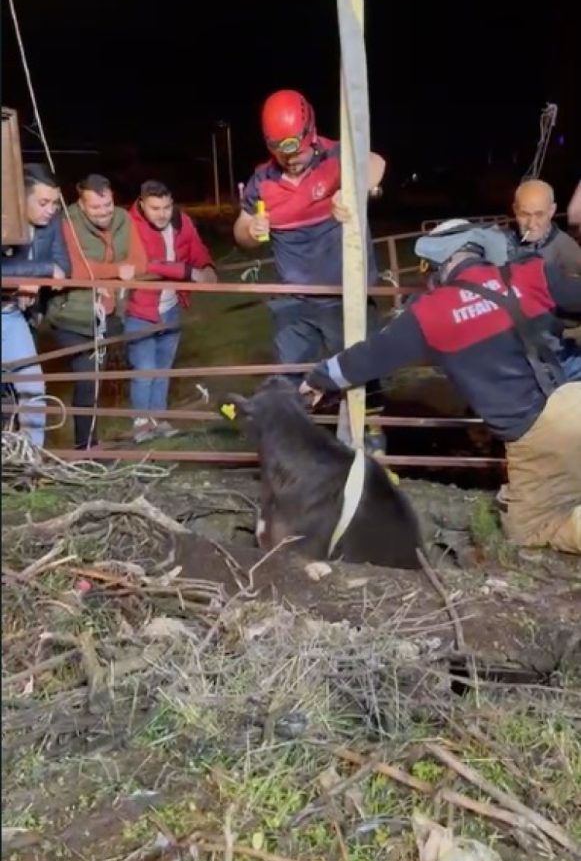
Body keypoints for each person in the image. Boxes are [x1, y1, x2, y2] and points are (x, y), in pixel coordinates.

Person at [300, 219, 581, 554]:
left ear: (443, 262)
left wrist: (317, 379)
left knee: (528, 530)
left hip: (535, 431)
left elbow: (368, 357)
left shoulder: (430, 314)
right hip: (573, 394)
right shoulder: (530, 273)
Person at [233, 89, 387, 452]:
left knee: (361, 369)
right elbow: (240, 230)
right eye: (281, 154)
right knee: (289, 377)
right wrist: (251, 232)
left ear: (311, 133)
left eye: (297, 151)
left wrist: (353, 191)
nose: (291, 161)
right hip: (294, 301)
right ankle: (291, 448)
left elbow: (376, 163)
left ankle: (373, 443)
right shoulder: (261, 181)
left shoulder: (337, 155)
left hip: (343, 295)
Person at [46, 174, 147, 449]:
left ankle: (92, 443)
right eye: (95, 208)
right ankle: (85, 448)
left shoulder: (123, 219)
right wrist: (115, 271)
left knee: (97, 380)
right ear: (81, 202)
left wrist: (104, 275)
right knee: (87, 379)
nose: (103, 213)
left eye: (107, 205)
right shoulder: (67, 222)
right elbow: (72, 268)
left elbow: (139, 262)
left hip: (109, 312)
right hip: (72, 316)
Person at [125, 180, 217, 443]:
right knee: (144, 368)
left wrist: (207, 267)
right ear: (142, 204)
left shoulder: (181, 221)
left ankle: (158, 419)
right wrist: (188, 272)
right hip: (139, 309)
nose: (162, 213)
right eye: (155, 208)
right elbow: (145, 264)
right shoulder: (130, 225)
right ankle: (141, 424)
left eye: (167, 206)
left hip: (171, 307)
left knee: (163, 367)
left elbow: (196, 249)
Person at [1, 164, 70, 447]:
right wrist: (34, 274)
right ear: (20, 200)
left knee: (32, 387)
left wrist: (34, 281)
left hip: (12, 315)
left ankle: (30, 462)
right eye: (43, 202)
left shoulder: (52, 222)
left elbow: (62, 265)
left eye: (55, 202)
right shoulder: (4, 219)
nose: (51, 209)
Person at [507, 179, 581, 381]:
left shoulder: (567, 251)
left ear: (552, 211)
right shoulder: (505, 242)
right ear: (515, 210)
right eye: (525, 214)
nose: (532, 224)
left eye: (539, 214)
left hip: (552, 347)